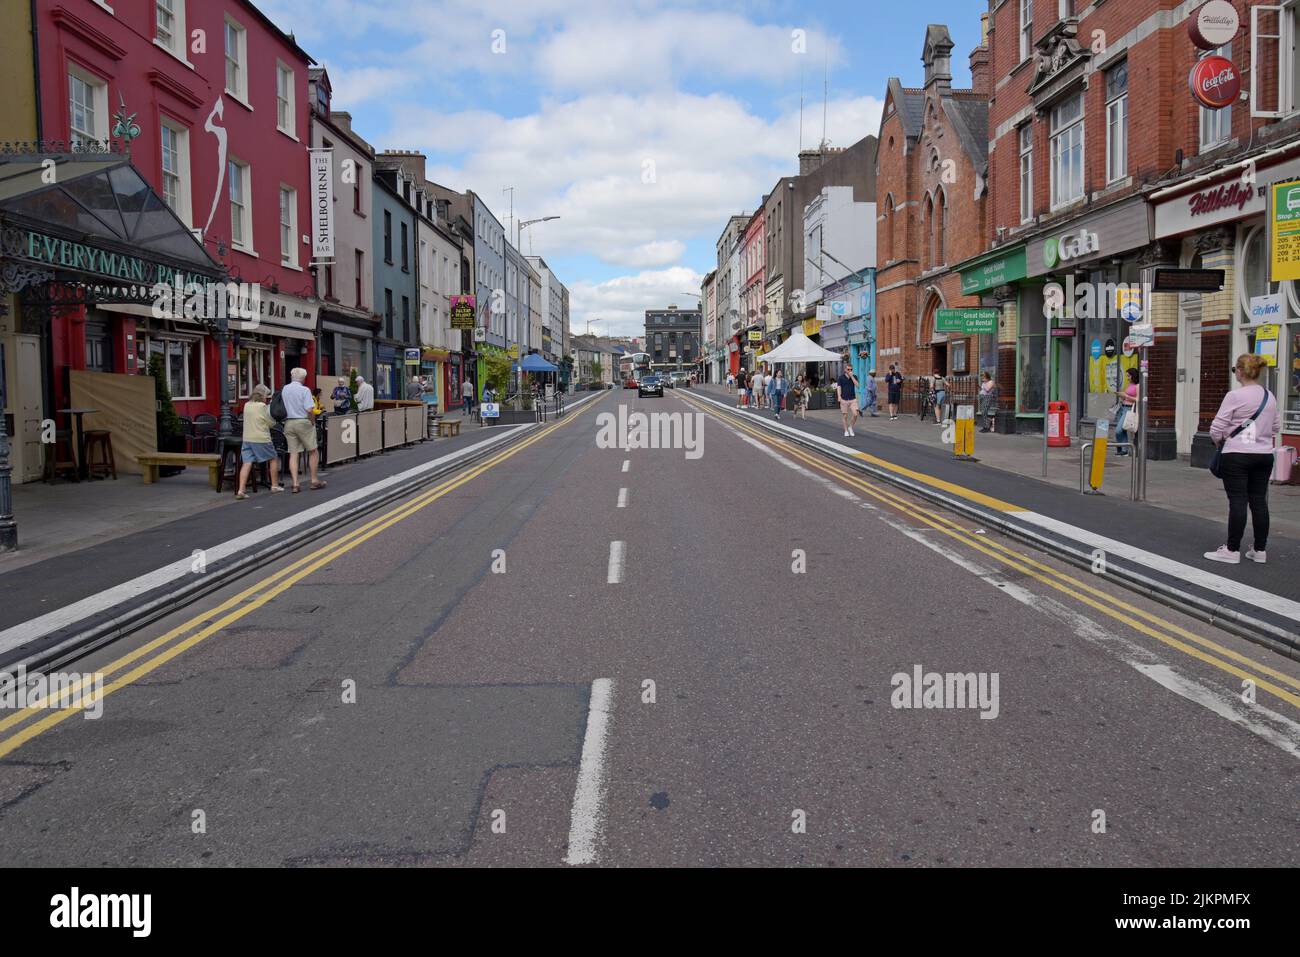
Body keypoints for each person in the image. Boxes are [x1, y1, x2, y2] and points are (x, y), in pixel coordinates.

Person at [1204, 354, 1280, 565]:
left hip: (1237, 454)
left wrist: (1220, 442)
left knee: (1238, 500)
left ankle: (1232, 550)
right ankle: (1259, 550)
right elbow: (1275, 428)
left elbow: (1216, 428)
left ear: (1240, 371)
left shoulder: (1234, 396)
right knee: (1259, 501)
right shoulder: (1269, 396)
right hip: (1264, 455)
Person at [234, 384, 283, 500]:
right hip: (261, 438)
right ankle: (275, 485)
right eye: (266, 395)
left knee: (247, 462)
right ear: (263, 395)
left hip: (247, 438)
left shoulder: (246, 405)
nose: (267, 398)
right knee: (273, 458)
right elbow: (271, 423)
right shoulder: (262, 406)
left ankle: (241, 490)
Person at [282, 367, 324, 493]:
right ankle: (314, 480)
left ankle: (295, 484)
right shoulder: (305, 390)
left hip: (289, 422)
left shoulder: (285, 389)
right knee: (313, 451)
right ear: (303, 378)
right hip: (303, 421)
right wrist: (312, 421)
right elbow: (309, 409)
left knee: (294, 453)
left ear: (291, 376)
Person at [1114, 367, 1139, 455]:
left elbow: (1137, 399)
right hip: (1123, 407)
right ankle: (1123, 450)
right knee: (1122, 429)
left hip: (1129, 409)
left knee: (1118, 430)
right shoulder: (1129, 385)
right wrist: (1121, 395)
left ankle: (1123, 448)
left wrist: (1125, 396)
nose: (1127, 378)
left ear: (1133, 376)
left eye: (1128, 376)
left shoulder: (1138, 386)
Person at [834, 360, 860, 437]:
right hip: (844, 399)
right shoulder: (841, 378)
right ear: (845, 369)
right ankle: (846, 430)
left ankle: (850, 427)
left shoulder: (854, 376)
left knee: (855, 414)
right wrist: (839, 396)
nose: (849, 371)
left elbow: (858, 385)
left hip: (852, 399)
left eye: (851, 369)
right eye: (848, 369)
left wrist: (852, 376)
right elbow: (839, 387)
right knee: (845, 416)